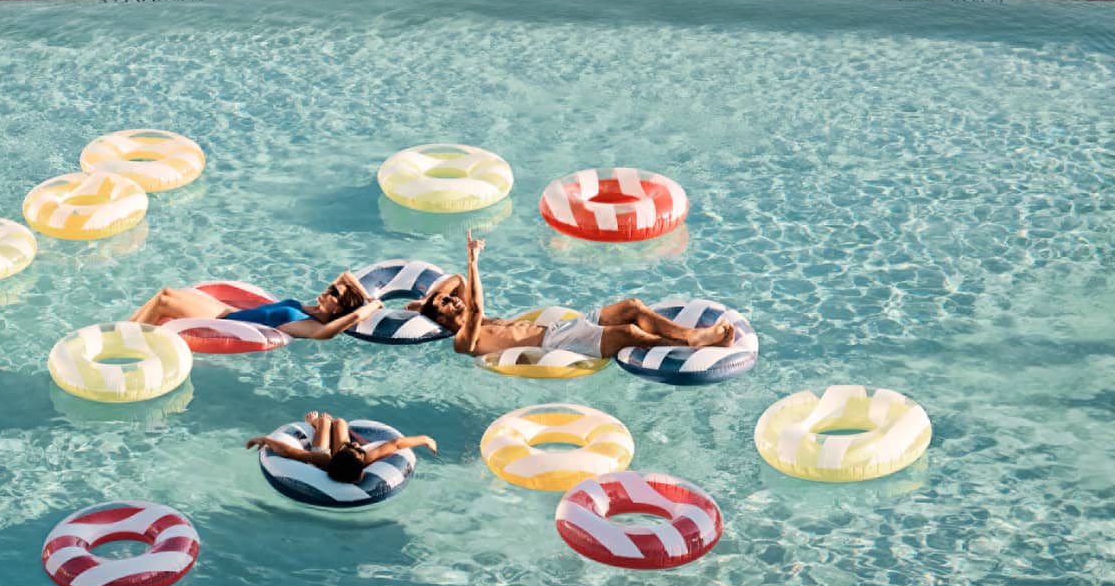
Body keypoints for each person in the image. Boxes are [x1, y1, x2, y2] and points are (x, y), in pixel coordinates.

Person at [408, 231, 737, 358]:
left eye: (449, 298)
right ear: (442, 319)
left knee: (632, 307)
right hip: (556, 345)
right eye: (445, 303)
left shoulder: (458, 309)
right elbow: (476, 309)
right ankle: (689, 346)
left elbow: (453, 281)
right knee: (630, 333)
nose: (452, 298)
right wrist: (472, 259)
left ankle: (693, 336)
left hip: (560, 329)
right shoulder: (462, 341)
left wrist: (423, 303)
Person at [129, 272, 383, 340]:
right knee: (165, 292)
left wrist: (371, 307)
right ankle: (125, 328)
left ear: (338, 308)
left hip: (225, 322)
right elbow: (346, 275)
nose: (327, 290)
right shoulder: (310, 309)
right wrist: (365, 295)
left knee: (164, 300)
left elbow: (330, 332)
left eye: (333, 293)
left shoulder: (311, 325)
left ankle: (127, 338)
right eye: (330, 288)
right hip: (226, 310)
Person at [245, 411, 438, 483]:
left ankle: (316, 424)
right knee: (340, 423)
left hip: (323, 454)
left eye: (353, 447)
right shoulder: (365, 460)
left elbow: (290, 452)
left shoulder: (324, 459)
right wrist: (425, 439)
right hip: (337, 460)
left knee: (326, 421)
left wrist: (263, 439)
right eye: (356, 448)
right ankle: (319, 424)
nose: (356, 444)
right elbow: (395, 444)